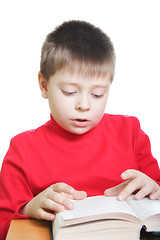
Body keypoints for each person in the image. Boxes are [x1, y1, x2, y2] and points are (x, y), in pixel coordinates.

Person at [0, 20, 160, 239]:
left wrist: (154, 188)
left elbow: (156, 193)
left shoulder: (131, 132)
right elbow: (4, 225)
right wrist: (29, 208)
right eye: (69, 92)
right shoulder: (22, 149)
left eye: (97, 94)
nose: (84, 105)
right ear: (44, 85)